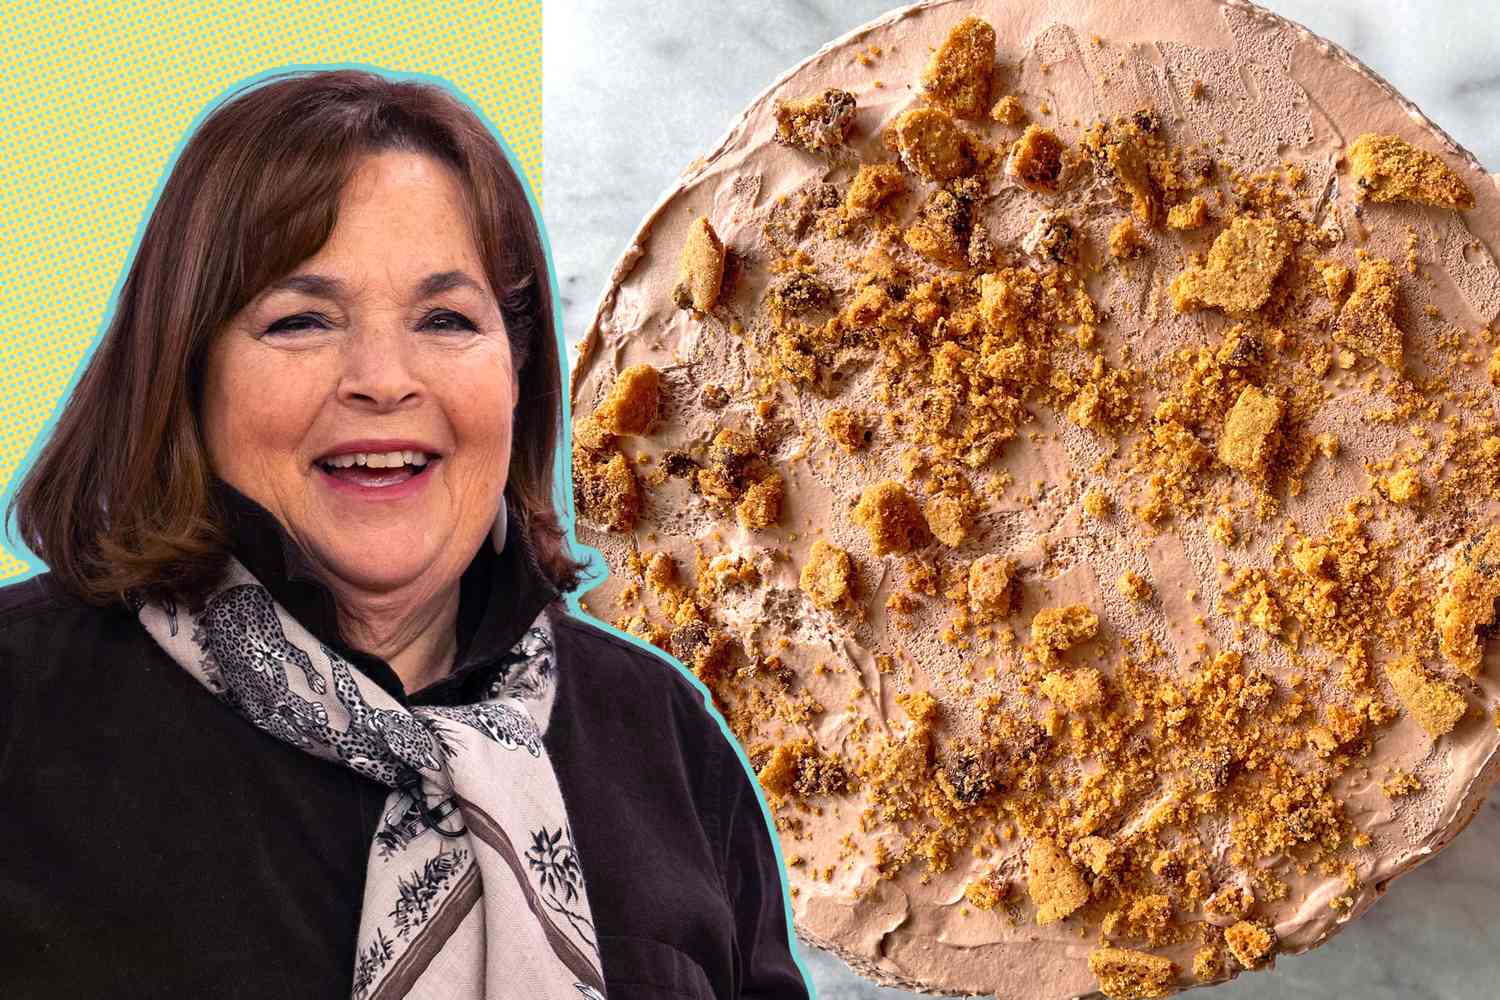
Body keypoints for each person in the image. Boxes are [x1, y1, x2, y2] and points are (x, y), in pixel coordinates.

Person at [0, 68, 810, 1000]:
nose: (383, 379)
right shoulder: (19, 708)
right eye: (302, 320)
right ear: (185, 368)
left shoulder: (668, 742)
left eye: (445, 319)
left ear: (517, 374)